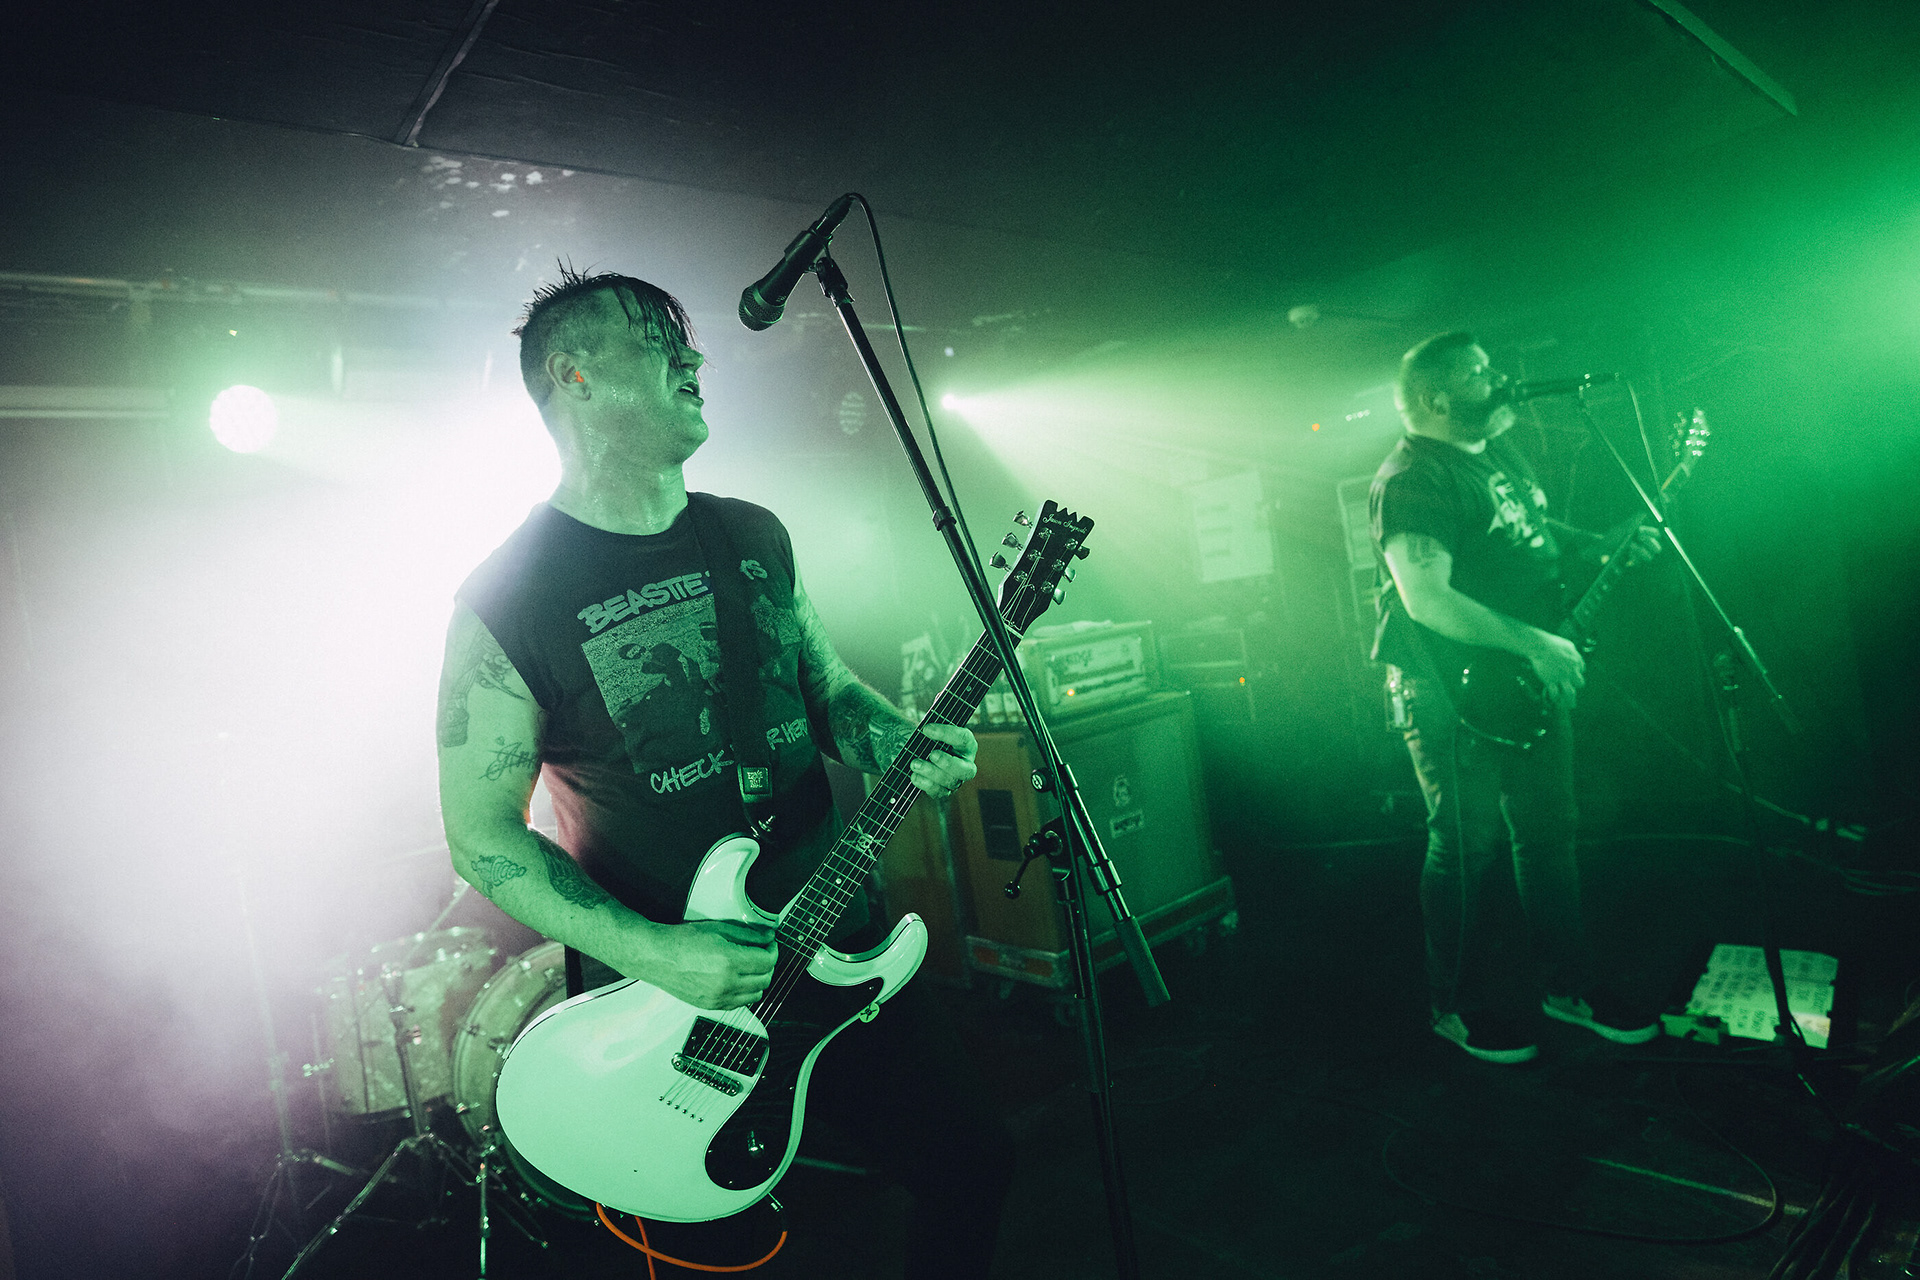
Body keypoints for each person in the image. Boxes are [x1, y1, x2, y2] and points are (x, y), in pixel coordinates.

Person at [436, 267, 1012, 1275]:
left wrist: (894, 739)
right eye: (659, 340)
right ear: (572, 374)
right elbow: (481, 835)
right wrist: (658, 952)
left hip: (838, 946)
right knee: (723, 1253)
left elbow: (828, 693)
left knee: (972, 1164)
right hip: (669, 1006)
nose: (694, 357)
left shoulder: (751, 533)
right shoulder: (507, 597)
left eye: (689, 340)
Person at [1369, 330, 1663, 1064]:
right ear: (1437, 398)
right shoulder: (1412, 478)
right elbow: (1427, 597)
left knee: (1548, 833)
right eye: (1479, 373)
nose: (1499, 378)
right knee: (1464, 847)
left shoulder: (1495, 452)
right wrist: (1536, 643)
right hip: (1448, 688)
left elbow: (1528, 525)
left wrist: (1596, 542)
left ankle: (1567, 988)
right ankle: (1454, 1007)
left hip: (1524, 679)